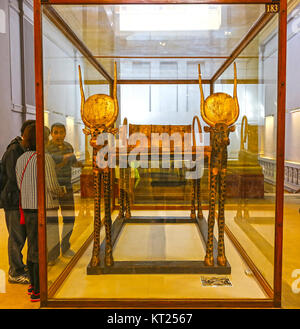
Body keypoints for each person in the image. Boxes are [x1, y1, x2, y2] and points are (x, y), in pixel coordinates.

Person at [16, 124, 65, 302]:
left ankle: (32, 285)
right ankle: (38, 289)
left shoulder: (21, 159)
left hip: (28, 209)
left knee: (32, 247)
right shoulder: (45, 159)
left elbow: (20, 185)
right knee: (40, 249)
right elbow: (52, 187)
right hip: (43, 209)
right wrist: (62, 191)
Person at [0, 119, 35, 284]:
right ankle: (15, 271)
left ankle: (20, 266)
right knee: (16, 237)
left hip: (20, 199)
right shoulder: (15, 150)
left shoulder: (23, 149)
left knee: (21, 236)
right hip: (13, 201)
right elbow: (15, 178)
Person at [46, 123, 83, 258]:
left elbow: (73, 162)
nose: (59, 135)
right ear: (51, 134)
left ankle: (65, 247)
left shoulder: (68, 146)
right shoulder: (47, 147)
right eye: (56, 132)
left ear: (65, 133)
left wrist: (83, 164)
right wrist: (65, 158)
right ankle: (52, 253)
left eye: (61, 132)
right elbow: (51, 161)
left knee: (69, 218)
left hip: (66, 188)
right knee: (52, 222)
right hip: (52, 190)